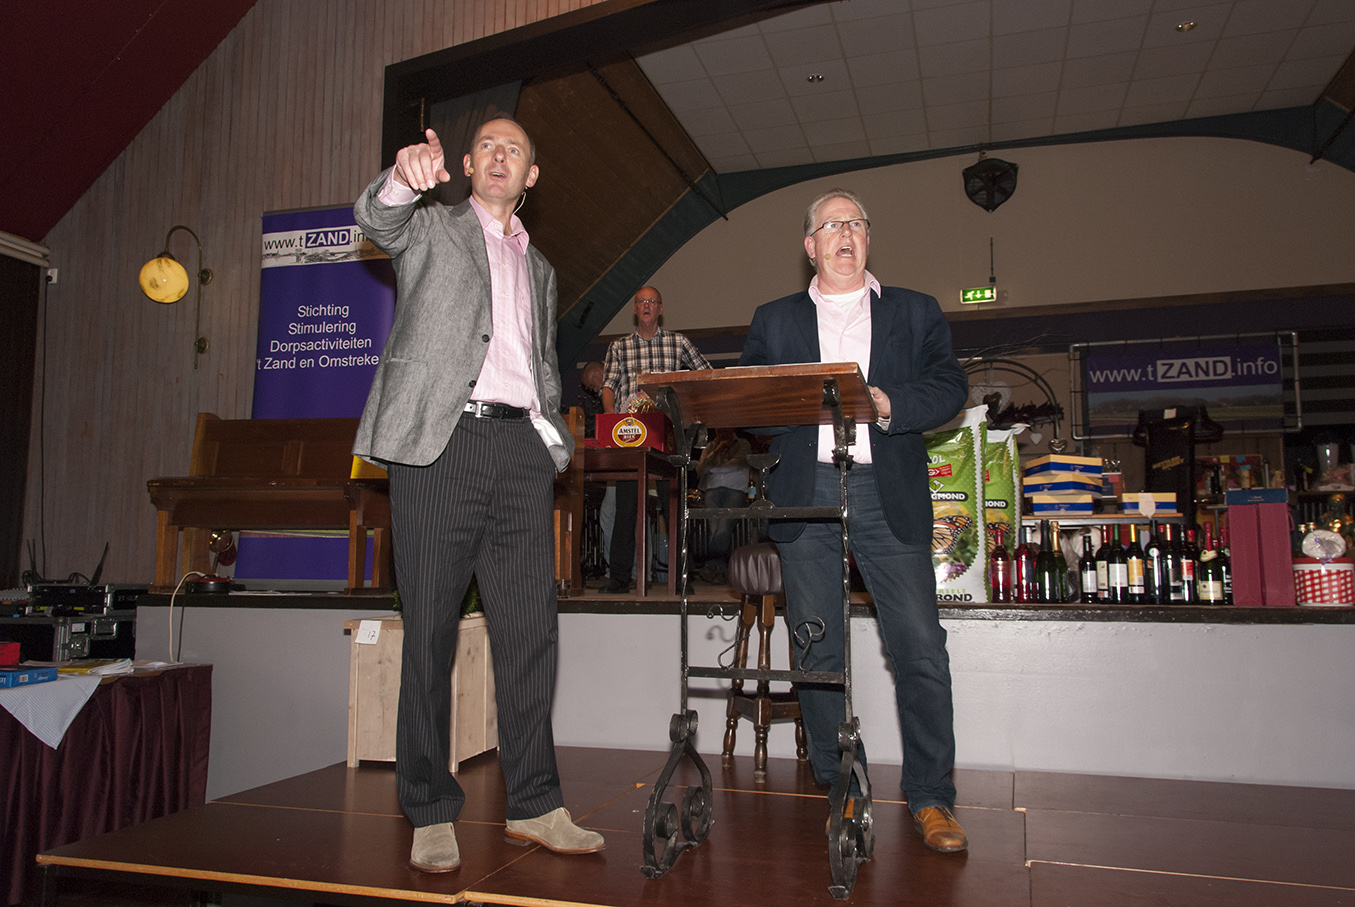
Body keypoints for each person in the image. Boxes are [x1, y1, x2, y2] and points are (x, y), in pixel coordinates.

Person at [352, 118, 604, 874]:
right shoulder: (431, 227)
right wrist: (401, 179)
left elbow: (541, 364)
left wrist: (549, 442)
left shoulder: (542, 268)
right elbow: (376, 220)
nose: (500, 155)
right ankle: (430, 808)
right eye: (488, 146)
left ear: (531, 176)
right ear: (465, 164)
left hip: (519, 452)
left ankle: (535, 803)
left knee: (530, 633)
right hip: (442, 444)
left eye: (515, 149)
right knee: (429, 629)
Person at [737, 188, 970, 852]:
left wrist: (888, 402)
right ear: (810, 246)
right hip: (805, 486)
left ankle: (931, 797)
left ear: (868, 239)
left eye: (856, 223)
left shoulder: (915, 310)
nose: (846, 232)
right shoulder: (773, 319)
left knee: (920, 647)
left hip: (884, 486)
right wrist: (778, 401)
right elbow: (748, 406)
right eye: (831, 224)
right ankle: (844, 786)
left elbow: (949, 386)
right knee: (816, 650)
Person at [599, 286, 711, 592]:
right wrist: (610, 417)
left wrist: (689, 407)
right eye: (641, 302)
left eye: (652, 301)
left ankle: (681, 578)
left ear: (660, 309)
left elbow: (705, 374)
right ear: (635, 309)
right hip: (629, 435)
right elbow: (609, 385)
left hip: (668, 434)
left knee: (673, 506)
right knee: (625, 508)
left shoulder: (679, 342)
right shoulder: (619, 346)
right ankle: (619, 578)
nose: (646, 305)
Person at [696, 428, 751, 584]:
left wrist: (711, 469)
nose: (722, 433)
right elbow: (700, 469)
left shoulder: (743, 444)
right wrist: (716, 451)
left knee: (723, 528)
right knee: (714, 530)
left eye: (725, 430)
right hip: (712, 491)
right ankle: (721, 572)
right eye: (719, 430)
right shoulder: (710, 446)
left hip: (736, 491)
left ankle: (710, 565)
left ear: (731, 429)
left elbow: (736, 464)